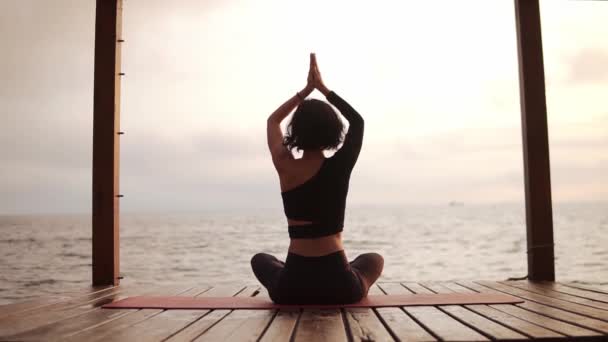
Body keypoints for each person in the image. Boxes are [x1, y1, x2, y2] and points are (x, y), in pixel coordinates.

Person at [251, 53, 384, 304]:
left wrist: (305, 91)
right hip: (340, 285)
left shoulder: (285, 165)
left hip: (291, 287)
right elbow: (357, 121)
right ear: (334, 132)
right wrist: (323, 89)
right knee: (373, 259)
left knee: (260, 260)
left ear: (296, 131)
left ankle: (285, 270)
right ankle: (351, 273)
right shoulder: (340, 165)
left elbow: (273, 120)